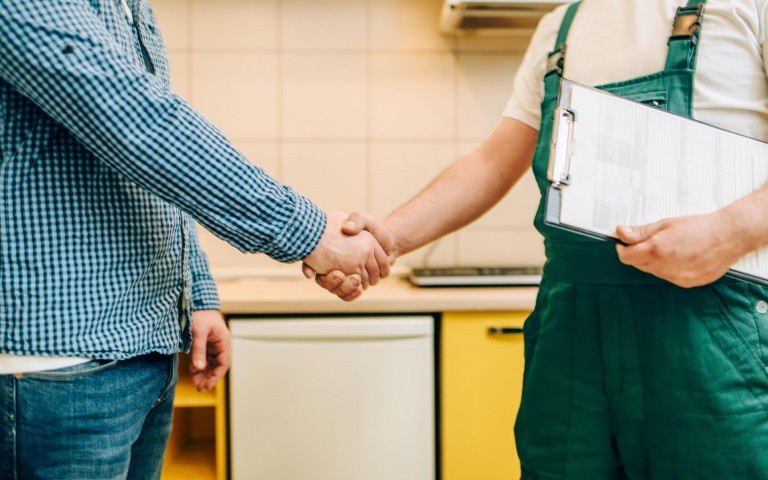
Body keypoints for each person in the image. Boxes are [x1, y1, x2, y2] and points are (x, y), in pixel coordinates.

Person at [309, 0, 768, 477]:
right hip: (570, 336)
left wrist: (728, 233)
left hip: (709, 335)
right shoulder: (559, 29)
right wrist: (389, 238)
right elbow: (493, 162)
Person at [0, 1, 388, 478]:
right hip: (59, 362)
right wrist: (312, 233)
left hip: (140, 353)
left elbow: (150, 173)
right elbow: (139, 124)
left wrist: (198, 294)